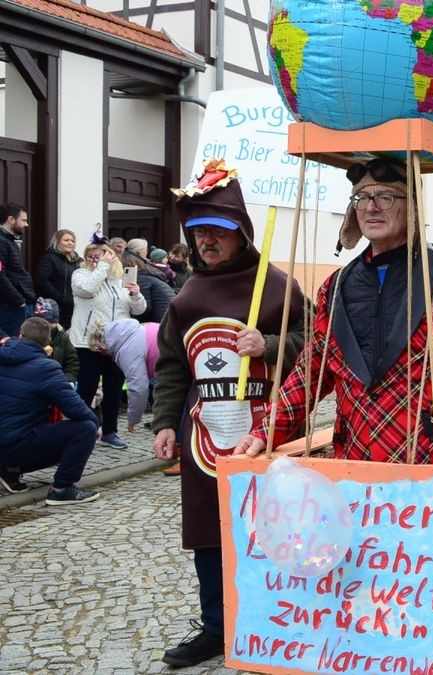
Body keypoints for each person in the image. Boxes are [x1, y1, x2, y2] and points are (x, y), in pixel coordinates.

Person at [234, 156, 433, 472]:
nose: (371, 207)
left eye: (386, 196)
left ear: (412, 207)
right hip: (355, 471)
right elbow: (311, 372)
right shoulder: (336, 288)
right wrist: (265, 430)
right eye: (362, 198)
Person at [149, 161, 308, 668]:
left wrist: (272, 343)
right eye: (199, 234)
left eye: (218, 231)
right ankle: (216, 628)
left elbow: (317, 351)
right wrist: (162, 425)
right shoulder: (187, 296)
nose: (207, 243)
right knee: (209, 533)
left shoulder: (278, 288)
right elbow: (174, 366)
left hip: (271, 433)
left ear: (241, 233)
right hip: (208, 440)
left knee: (272, 528)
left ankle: (278, 619)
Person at [0, 317, 100, 504]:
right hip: (15, 445)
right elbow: (74, 408)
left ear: (20, 335)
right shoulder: (46, 368)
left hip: (6, 440)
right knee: (85, 428)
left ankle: (7, 471)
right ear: (48, 344)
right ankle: (62, 489)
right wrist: (96, 425)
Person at [70, 242, 146, 449]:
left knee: (113, 389)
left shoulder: (118, 281)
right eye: (94, 256)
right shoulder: (80, 275)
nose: (99, 260)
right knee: (87, 388)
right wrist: (101, 267)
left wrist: (135, 294)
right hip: (88, 342)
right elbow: (87, 290)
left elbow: (138, 310)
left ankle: (110, 431)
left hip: (116, 344)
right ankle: (81, 430)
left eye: (104, 256)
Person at [87, 318, 159, 436]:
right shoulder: (134, 329)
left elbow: (139, 388)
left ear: (103, 345)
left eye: (101, 351)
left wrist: (133, 420)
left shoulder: (127, 350)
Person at [0, 203, 36, 336]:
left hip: (17, 306)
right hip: (10, 308)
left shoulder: (9, 242)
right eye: (24, 220)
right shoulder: (2, 242)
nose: (26, 225)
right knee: (12, 347)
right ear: (11, 220)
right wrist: (18, 301)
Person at [34, 229, 81, 329]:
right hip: (55, 308)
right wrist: (59, 297)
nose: (70, 243)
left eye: (72, 241)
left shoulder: (79, 261)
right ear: (57, 241)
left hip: (75, 307)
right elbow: (42, 280)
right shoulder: (50, 258)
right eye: (66, 240)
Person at [125, 239, 176, 323]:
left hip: (161, 319)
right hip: (165, 315)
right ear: (140, 252)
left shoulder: (139, 270)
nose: (147, 252)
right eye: (146, 249)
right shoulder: (144, 268)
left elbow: (145, 309)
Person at [33, 298, 78, 384]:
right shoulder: (29, 337)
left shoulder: (62, 338)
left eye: (49, 321)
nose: (46, 325)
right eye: (41, 321)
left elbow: (72, 362)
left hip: (57, 380)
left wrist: (69, 380)